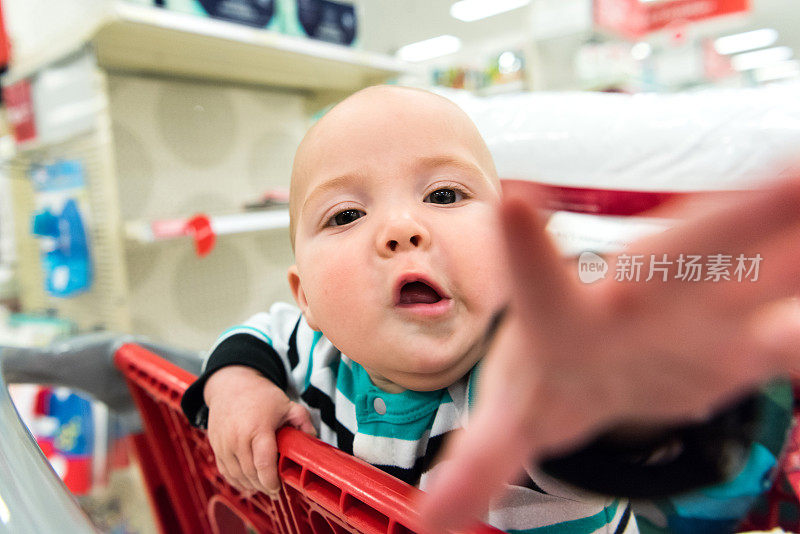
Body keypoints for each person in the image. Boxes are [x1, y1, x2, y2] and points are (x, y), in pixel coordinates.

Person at [181, 85, 800, 533]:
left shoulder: (520, 387)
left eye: (444, 194)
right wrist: (237, 384)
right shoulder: (316, 353)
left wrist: (624, 408)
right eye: (346, 214)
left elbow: (583, 416)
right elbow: (259, 332)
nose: (400, 229)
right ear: (307, 297)